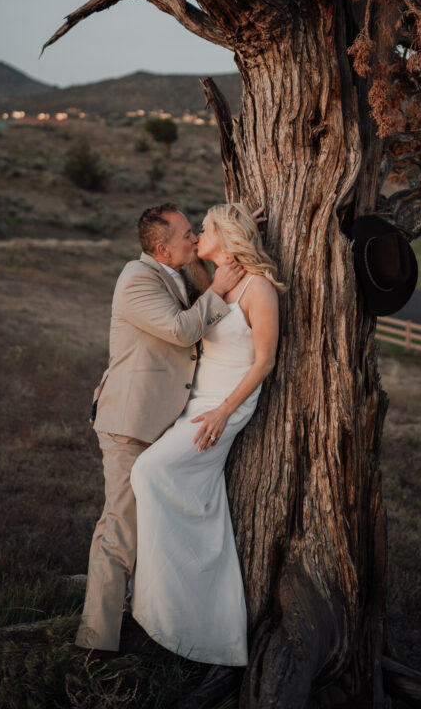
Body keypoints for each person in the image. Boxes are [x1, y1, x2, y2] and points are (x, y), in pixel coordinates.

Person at [75, 203, 246, 656]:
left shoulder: (179, 272)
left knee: (155, 526)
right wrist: (222, 289)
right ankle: (96, 643)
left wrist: (238, 229)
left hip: (163, 423)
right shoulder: (136, 278)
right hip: (131, 423)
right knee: (120, 528)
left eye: (195, 232)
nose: (194, 240)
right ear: (160, 247)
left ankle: (153, 619)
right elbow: (179, 330)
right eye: (187, 234)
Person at [130, 202, 284, 666]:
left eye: (204, 229)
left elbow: (264, 362)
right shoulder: (210, 281)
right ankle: (183, 609)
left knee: (149, 472)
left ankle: (174, 604)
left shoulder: (259, 289)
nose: (197, 236)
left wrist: (223, 412)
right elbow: (200, 277)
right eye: (195, 231)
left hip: (225, 406)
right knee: (184, 496)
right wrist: (233, 229)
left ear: (227, 235)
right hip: (197, 402)